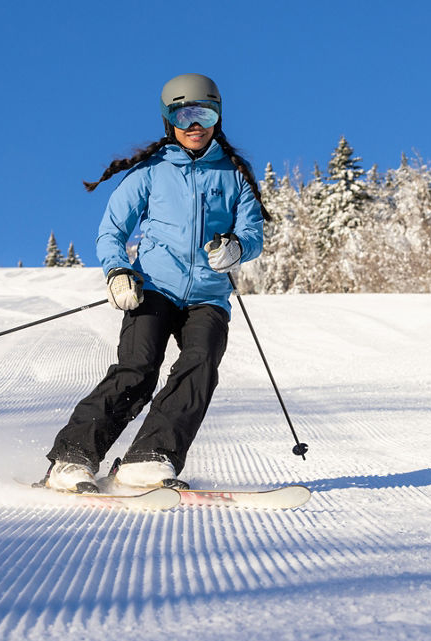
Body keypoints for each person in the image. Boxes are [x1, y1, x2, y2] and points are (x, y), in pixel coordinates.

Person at [43, 73, 269, 493]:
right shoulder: (152, 171)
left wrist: (236, 247)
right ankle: (72, 457)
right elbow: (112, 229)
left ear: (217, 116)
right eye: (185, 115)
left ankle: (148, 457)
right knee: (138, 370)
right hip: (154, 290)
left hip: (208, 297)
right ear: (169, 120)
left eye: (204, 113)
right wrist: (118, 271)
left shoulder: (235, 173)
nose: (195, 124)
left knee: (200, 367)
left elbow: (253, 232)